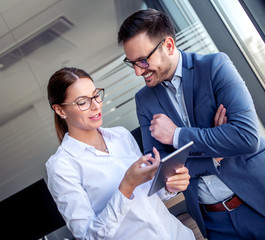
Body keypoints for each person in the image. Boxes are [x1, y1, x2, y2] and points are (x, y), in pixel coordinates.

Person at [117, 9, 265, 240]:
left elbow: (245, 137)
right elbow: (159, 167)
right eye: (131, 63)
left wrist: (177, 136)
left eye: (143, 60)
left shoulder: (215, 66)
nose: (137, 71)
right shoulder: (144, 100)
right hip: (214, 222)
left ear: (169, 45)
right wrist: (216, 146)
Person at [45, 67, 196, 240]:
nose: (96, 105)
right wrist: (126, 186)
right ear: (60, 110)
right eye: (82, 102)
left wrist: (169, 186)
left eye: (95, 95)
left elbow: (146, 200)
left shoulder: (121, 135)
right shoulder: (61, 166)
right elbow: (88, 236)